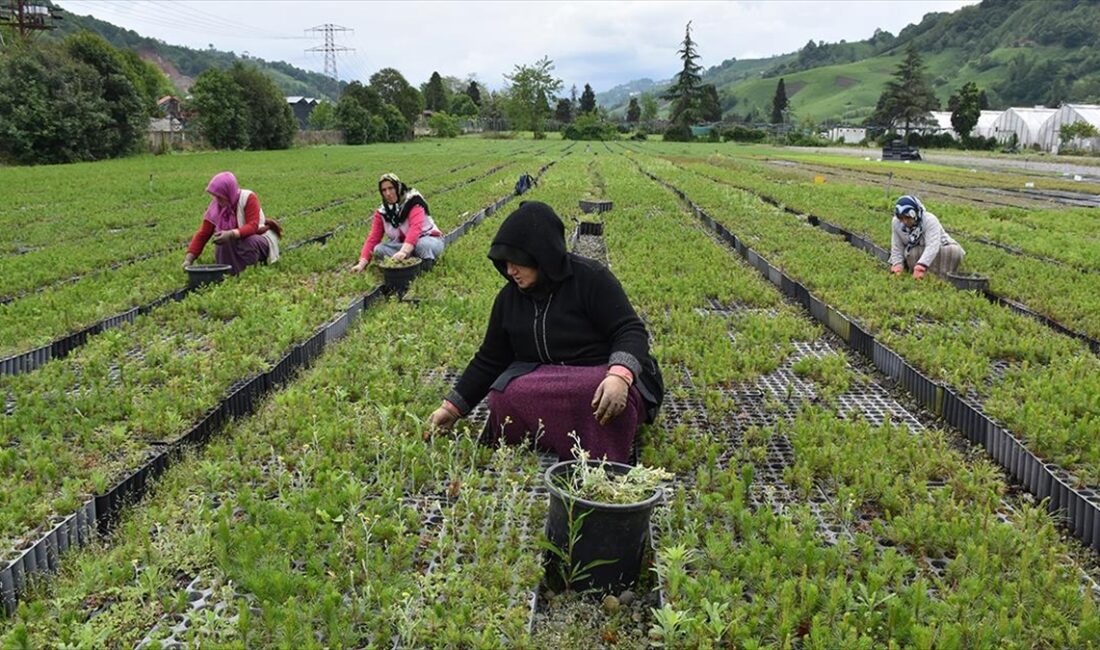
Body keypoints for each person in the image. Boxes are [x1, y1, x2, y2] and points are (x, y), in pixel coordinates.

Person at [427, 201, 664, 463]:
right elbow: (490, 359)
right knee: (503, 394)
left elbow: (630, 329)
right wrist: (451, 408)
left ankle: (598, 452)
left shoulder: (591, 278)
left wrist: (620, 375)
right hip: (546, 380)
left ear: (541, 255)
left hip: (599, 372)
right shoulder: (509, 299)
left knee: (596, 392)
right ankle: (565, 436)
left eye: (517, 262)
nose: (510, 270)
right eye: (505, 262)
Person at [184, 171, 281, 274]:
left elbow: (252, 226)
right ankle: (227, 272)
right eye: (215, 196)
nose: (217, 200)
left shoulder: (248, 198)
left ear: (228, 192)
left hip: (259, 236)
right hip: (236, 240)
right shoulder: (216, 207)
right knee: (222, 243)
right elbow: (203, 233)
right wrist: (189, 259)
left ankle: (247, 271)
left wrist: (231, 234)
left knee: (248, 242)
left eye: (220, 197)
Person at [350, 173, 445, 272]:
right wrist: (361, 264)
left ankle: (420, 263)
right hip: (403, 245)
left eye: (391, 188)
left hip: (427, 240)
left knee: (422, 246)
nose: (388, 193)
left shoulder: (414, 201)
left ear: (398, 187)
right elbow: (373, 238)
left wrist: (404, 251)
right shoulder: (382, 212)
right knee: (379, 249)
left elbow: (415, 229)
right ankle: (413, 262)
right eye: (384, 190)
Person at [889, 195, 965, 279]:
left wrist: (921, 266)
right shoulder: (896, 222)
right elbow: (897, 245)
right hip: (918, 250)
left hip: (940, 247)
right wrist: (897, 264)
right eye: (901, 218)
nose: (905, 221)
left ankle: (943, 276)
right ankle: (926, 275)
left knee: (953, 252)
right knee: (912, 254)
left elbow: (933, 245)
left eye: (908, 218)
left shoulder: (929, 220)